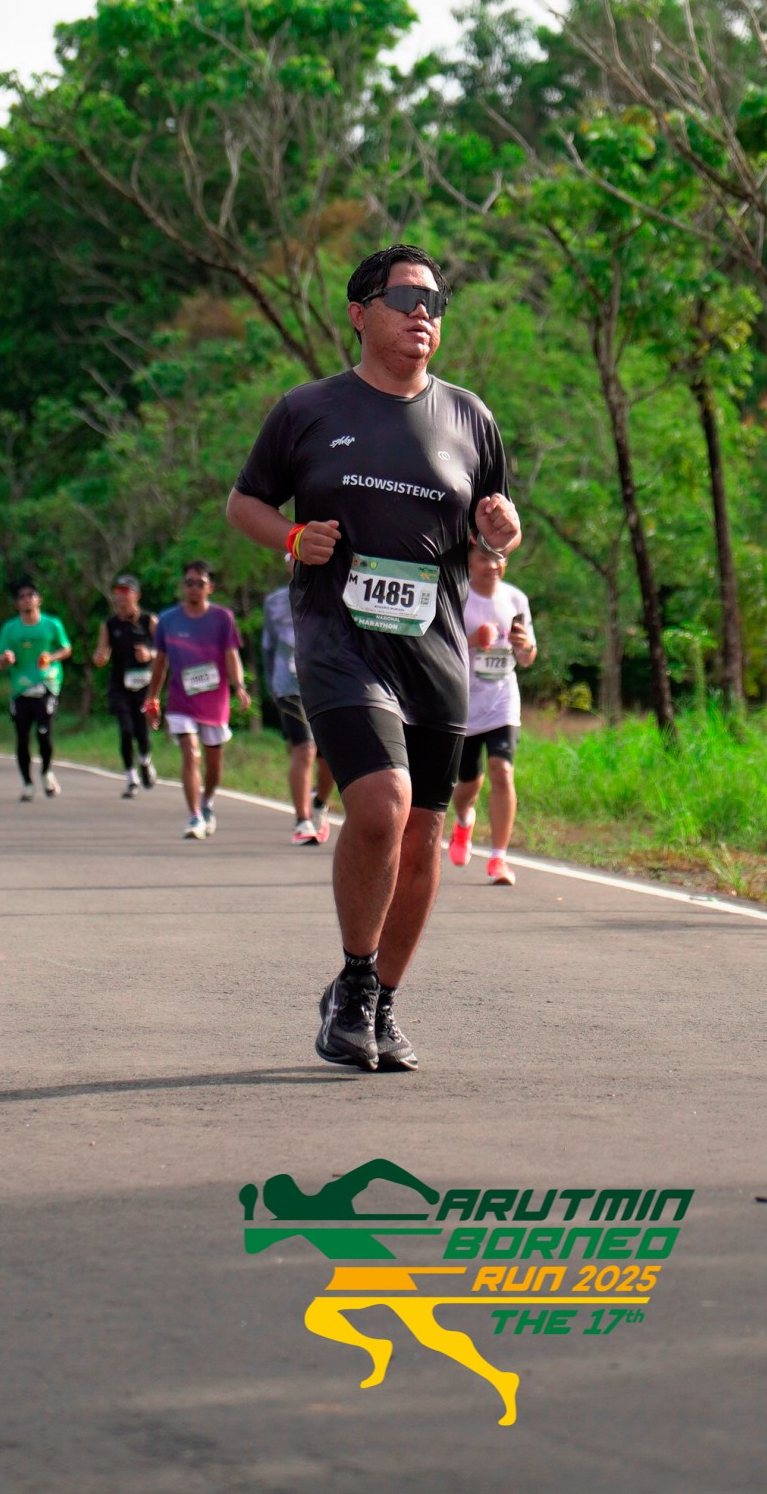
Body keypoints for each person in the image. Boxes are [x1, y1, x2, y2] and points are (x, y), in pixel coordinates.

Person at [226, 242, 521, 1075]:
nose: (423, 312)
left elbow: (496, 528)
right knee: (384, 803)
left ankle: (378, 1003)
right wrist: (292, 536)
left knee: (424, 832)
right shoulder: (308, 410)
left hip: (435, 650)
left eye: (435, 301)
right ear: (360, 314)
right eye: (404, 298)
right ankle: (355, 981)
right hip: (340, 640)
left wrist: (503, 534)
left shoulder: (470, 417)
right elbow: (243, 503)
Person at [448, 540, 537, 886]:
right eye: (484, 558)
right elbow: (438, 646)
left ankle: (499, 859)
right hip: (464, 704)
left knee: (502, 771)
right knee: (468, 786)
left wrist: (524, 646)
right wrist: (472, 639)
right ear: (469, 561)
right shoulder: (457, 597)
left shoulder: (515, 599)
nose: (492, 565)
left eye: (499, 558)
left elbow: (527, 657)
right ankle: (463, 820)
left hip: (502, 702)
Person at [145, 561, 248, 839]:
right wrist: (152, 698)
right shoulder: (168, 620)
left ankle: (207, 802)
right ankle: (194, 816)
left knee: (214, 766)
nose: (193, 588)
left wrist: (239, 686)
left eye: (199, 583)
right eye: (189, 583)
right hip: (181, 701)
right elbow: (160, 663)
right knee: (190, 753)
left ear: (209, 587)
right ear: (183, 586)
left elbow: (231, 655)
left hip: (214, 702)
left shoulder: (223, 618)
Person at [262, 560, 334, 845]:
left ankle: (320, 803)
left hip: (328, 684)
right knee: (304, 748)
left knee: (330, 758)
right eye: (294, 560)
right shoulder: (274, 603)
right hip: (289, 685)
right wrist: (271, 684)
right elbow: (268, 646)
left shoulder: (336, 593)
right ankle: (302, 821)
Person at [0, 579, 72, 800]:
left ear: (39, 599)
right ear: (17, 604)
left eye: (31, 595)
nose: (27, 599)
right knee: (22, 737)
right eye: (22, 597)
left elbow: (66, 649)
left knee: (44, 734)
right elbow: (0, 658)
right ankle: (27, 783)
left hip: (47, 685)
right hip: (20, 689)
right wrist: (6, 658)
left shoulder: (52, 624)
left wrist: (51, 657)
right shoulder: (10, 628)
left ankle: (46, 771)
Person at [92, 574, 159, 797]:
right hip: (120, 685)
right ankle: (131, 779)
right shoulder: (110, 624)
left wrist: (149, 654)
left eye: (126, 592)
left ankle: (145, 761)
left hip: (145, 685)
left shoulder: (149, 621)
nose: (121, 597)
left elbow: (164, 650)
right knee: (125, 730)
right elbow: (101, 653)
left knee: (142, 732)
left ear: (136, 595)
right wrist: (100, 657)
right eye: (118, 592)